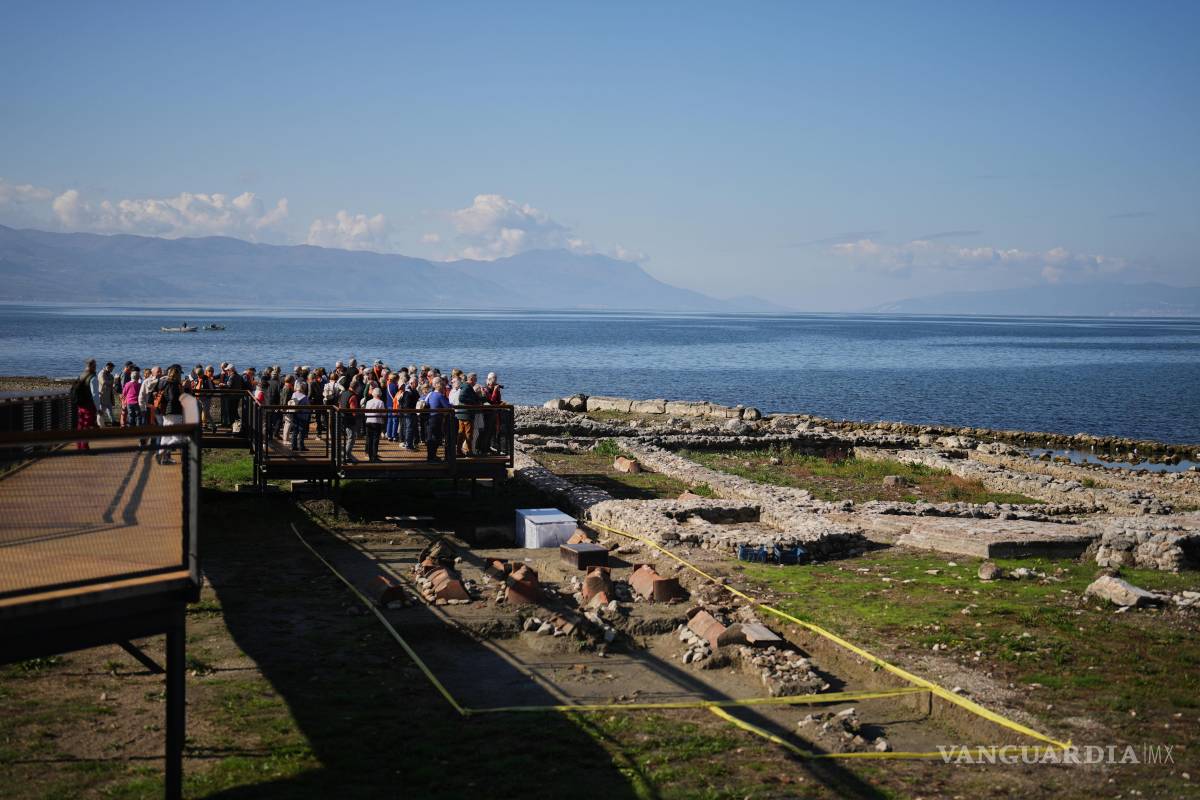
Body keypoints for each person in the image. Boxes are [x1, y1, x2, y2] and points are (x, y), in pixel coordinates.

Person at [155, 365, 186, 465]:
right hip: (175, 412)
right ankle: (161, 453)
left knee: (166, 436)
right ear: (177, 375)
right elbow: (173, 398)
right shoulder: (174, 384)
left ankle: (164, 458)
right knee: (178, 438)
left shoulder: (164, 383)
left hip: (166, 412)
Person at [424, 377, 451, 462]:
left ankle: (430, 456)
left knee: (430, 438)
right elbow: (447, 407)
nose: (443, 387)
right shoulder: (439, 396)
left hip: (429, 418)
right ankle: (432, 457)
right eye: (442, 385)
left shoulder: (430, 394)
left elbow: (426, 402)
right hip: (436, 418)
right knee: (435, 438)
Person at [73, 359, 98, 449]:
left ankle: (79, 445)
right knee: (87, 425)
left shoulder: (81, 375)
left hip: (80, 404)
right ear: (92, 366)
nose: (96, 367)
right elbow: (95, 394)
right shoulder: (92, 377)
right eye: (95, 365)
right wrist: (98, 408)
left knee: (81, 425)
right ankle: (84, 446)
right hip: (88, 405)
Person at [454, 376, 478, 457]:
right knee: (468, 433)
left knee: (461, 433)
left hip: (462, 413)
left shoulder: (464, 386)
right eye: (475, 380)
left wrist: (482, 399)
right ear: (471, 379)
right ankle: (468, 451)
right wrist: (472, 402)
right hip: (466, 414)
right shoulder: (467, 387)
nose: (476, 382)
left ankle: (459, 450)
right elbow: (461, 398)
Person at [364, 387, 386, 462]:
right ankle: (374, 456)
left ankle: (370, 456)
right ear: (379, 394)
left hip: (368, 421)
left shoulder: (368, 402)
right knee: (375, 440)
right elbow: (383, 414)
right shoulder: (381, 402)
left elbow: (366, 413)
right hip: (377, 422)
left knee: (369, 439)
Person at [398, 376, 420, 450]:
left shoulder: (414, 391)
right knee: (409, 428)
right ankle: (408, 444)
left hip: (411, 412)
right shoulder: (408, 392)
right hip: (409, 413)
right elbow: (406, 404)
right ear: (411, 383)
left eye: (417, 383)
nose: (417, 384)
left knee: (411, 428)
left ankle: (410, 443)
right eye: (416, 383)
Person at [288, 381, 311, 451]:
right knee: (301, 431)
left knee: (295, 431)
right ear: (303, 388)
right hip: (303, 416)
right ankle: (301, 446)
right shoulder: (305, 397)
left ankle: (293, 445)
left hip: (295, 414)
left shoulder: (293, 394)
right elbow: (308, 407)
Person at [95, 362, 116, 426]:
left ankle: (113, 422)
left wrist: (114, 382)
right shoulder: (101, 373)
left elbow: (112, 383)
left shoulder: (110, 375)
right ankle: (99, 424)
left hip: (109, 395)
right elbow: (103, 382)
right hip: (103, 395)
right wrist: (113, 381)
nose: (112, 370)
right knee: (101, 411)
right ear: (108, 367)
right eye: (112, 368)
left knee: (110, 410)